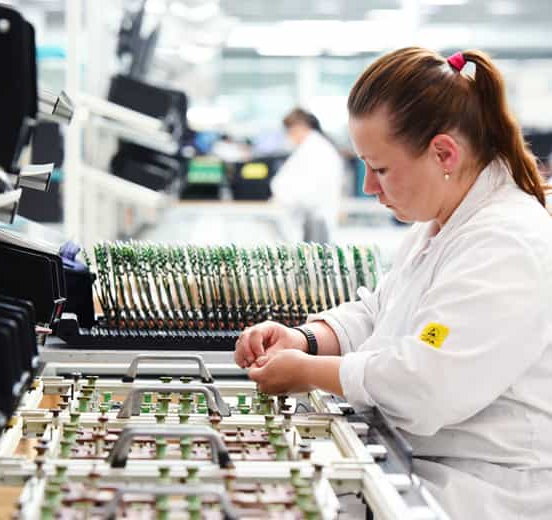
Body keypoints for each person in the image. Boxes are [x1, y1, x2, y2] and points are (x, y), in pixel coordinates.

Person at [235, 47, 552, 519]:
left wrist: (307, 371)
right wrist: (305, 337)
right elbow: (378, 312)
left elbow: (426, 382)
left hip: (479, 492)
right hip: (418, 466)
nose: (368, 187)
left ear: (444, 153)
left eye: (380, 168)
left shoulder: (506, 244)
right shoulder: (442, 226)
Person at [270, 108, 344, 242]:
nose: (289, 136)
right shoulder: (310, 148)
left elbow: (308, 191)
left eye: (290, 131)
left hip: (314, 220)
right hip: (308, 219)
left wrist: (283, 196)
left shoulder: (316, 150)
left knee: (314, 259)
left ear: (300, 127)